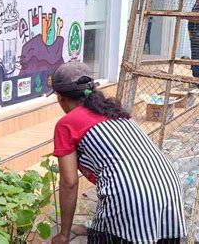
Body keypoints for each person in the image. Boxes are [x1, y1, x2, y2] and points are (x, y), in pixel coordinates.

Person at [50, 62, 186, 244]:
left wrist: (64, 235)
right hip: (168, 190)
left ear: (60, 98)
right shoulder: (115, 113)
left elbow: (69, 182)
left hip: (132, 196)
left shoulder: (67, 124)